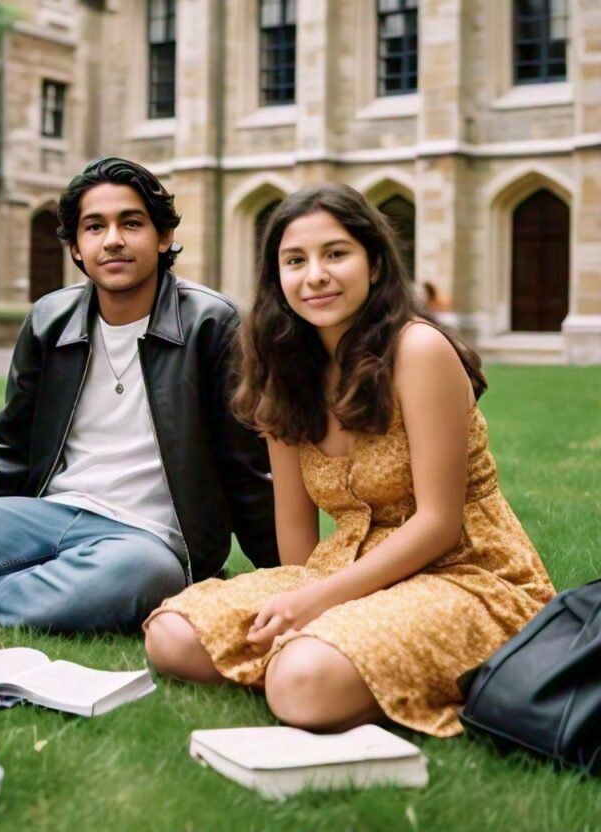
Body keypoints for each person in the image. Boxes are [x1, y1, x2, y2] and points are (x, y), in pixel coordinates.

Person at [143, 182, 553, 737]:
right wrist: (300, 595)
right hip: (343, 572)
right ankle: (336, 660)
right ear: (276, 277)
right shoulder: (281, 369)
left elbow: (439, 523)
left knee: (302, 684)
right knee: (172, 634)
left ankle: (345, 667)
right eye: (295, 260)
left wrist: (316, 604)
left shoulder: (418, 351)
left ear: (376, 264)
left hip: (464, 573)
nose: (315, 274)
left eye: (335, 254)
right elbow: (296, 536)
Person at [0, 157, 278, 631]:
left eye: (131, 223)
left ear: (163, 236)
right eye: (95, 227)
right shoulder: (49, 319)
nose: (113, 239)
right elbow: (14, 447)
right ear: (75, 246)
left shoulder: (213, 324)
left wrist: (287, 576)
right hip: (46, 515)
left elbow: (246, 467)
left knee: (137, 577)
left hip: (146, 540)